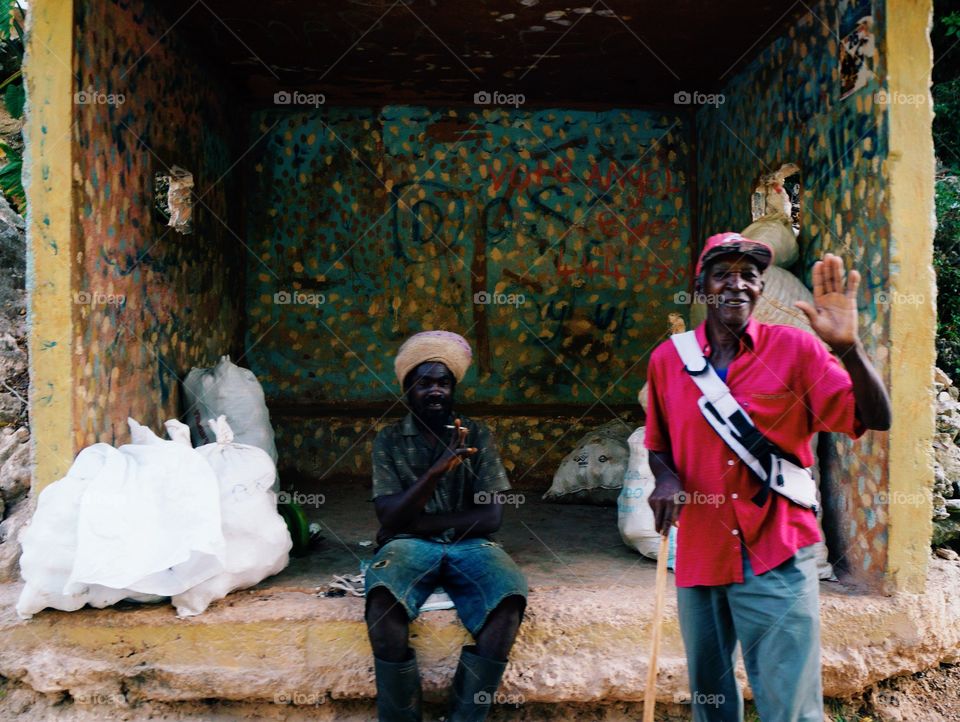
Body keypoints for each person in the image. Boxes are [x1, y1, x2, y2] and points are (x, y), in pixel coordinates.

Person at [645, 232, 891, 722]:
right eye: (722, 274)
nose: (736, 285)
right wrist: (665, 479)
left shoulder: (796, 350)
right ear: (700, 287)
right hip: (702, 548)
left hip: (776, 546)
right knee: (711, 699)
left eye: (749, 275)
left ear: (760, 288)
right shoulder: (668, 361)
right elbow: (659, 444)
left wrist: (849, 349)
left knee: (790, 705)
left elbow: (876, 417)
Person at [365, 330, 528, 722]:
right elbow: (387, 515)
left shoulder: (477, 435)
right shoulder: (389, 440)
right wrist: (436, 471)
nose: (435, 390)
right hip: (409, 547)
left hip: (471, 545)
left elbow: (491, 518)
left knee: (508, 600)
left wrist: (414, 521)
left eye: (443, 383)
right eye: (424, 383)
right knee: (383, 602)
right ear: (408, 389)